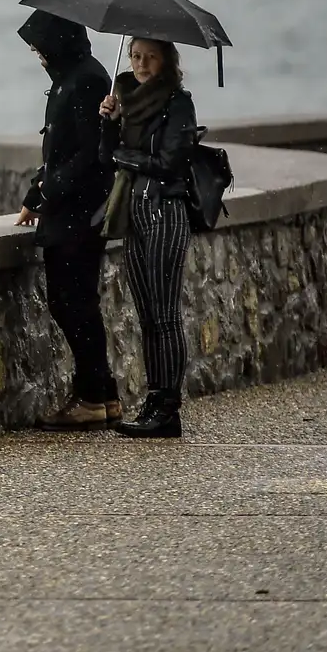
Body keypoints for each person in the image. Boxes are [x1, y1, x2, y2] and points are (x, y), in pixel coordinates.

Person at [14, 10, 120, 430]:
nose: (38, 56)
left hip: (81, 212)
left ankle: (94, 396)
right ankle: (103, 394)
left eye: (40, 48)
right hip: (68, 209)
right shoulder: (71, 76)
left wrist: (48, 190)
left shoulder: (86, 79)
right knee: (75, 303)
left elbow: (90, 156)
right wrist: (34, 195)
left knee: (72, 302)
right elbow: (59, 152)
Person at [99, 37, 198, 439]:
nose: (140, 65)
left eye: (150, 58)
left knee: (165, 313)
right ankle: (153, 401)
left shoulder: (178, 103)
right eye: (136, 56)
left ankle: (168, 407)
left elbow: (169, 163)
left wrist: (125, 155)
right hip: (134, 212)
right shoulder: (125, 99)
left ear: (166, 61)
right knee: (146, 314)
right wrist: (109, 122)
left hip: (165, 211)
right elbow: (107, 156)